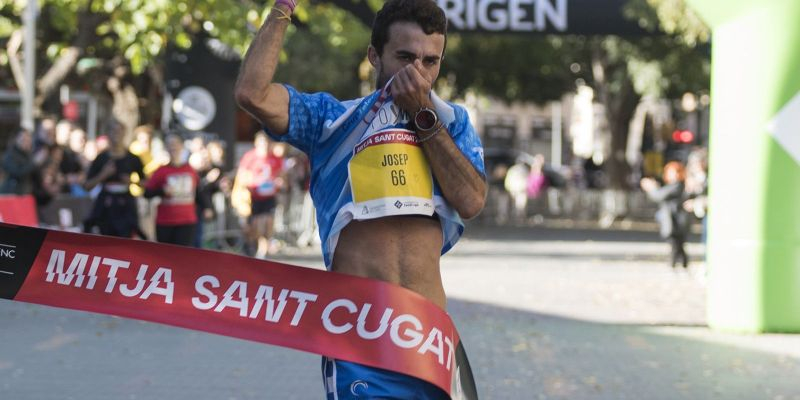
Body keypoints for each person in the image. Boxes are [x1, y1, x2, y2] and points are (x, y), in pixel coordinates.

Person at [235, 0, 486, 397]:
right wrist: (283, 7)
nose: (418, 72)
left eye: (430, 61)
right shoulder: (330, 121)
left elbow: (471, 200)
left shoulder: (450, 123)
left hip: (428, 337)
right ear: (374, 56)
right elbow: (252, 93)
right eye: (405, 57)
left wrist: (423, 115)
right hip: (360, 334)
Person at [83, 119, 147, 239]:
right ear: (107, 133)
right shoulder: (101, 158)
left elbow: (146, 183)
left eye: (119, 131)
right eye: (112, 131)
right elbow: (87, 186)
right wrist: (103, 175)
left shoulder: (133, 158)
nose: (116, 134)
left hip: (126, 204)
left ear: (124, 134)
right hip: (105, 203)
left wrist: (132, 182)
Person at [231, 131, 284, 258]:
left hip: (269, 197)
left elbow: (281, 175)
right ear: (256, 143)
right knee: (254, 226)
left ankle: (262, 253)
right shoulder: (250, 157)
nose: (264, 145)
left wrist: (279, 182)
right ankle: (250, 247)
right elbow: (241, 176)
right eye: (261, 142)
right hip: (252, 197)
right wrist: (255, 180)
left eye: (266, 142)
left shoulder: (275, 158)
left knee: (267, 222)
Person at [144, 134, 200, 247]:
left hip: (187, 221)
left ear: (181, 146)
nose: (173, 147)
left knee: (182, 256)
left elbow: (198, 192)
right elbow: (147, 193)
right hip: (165, 222)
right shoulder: (161, 171)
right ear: (166, 148)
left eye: (175, 144)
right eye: (169, 144)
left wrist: (208, 208)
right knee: (165, 257)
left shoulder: (190, 170)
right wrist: (162, 191)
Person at [641, 161, 691, 269]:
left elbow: (659, 195)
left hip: (676, 220)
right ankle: (681, 264)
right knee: (677, 244)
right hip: (672, 219)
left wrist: (651, 188)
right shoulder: (672, 185)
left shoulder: (678, 185)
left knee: (676, 243)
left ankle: (676, 264)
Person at [1, 128, 48, 196]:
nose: (26, 142)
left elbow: (36, 175)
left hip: (27, 193)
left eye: (28, 139)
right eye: (23, 139)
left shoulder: (29, 155)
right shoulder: (9, 155)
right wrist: (35, 162)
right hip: (12, 194)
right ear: (16, 139)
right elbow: (17, 172)